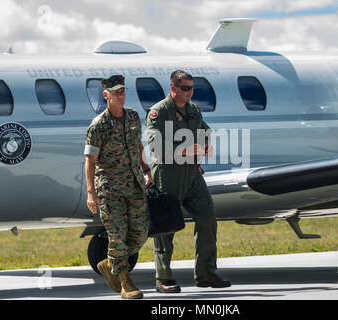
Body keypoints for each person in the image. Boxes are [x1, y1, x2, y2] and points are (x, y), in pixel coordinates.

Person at [145, 70, 231, 293]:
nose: (190, 92)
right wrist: (182, 150)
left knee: (208, 217)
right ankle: (163, 278)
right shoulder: (159, 112)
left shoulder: (193, 109)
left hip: (191, 174)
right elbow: (154, 144)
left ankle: (206, 273)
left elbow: (204, 131)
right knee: (165, 226)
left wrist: (205, 145)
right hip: (168, 173)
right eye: (185, 88)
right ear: (173, 88)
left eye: (192, 88)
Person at [84, 75, 153, 299]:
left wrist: (146, 170)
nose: (120, 95)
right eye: (115, 92)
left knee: (141, 233)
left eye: (122, 91)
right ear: (106, 95)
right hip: (109, 189)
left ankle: (109, 263)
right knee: (117, 235)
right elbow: (90, 161)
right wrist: (91, 194)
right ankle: (126, 283)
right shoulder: (98, 126)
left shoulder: (133, 116)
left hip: (133, 185)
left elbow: (138, 145)